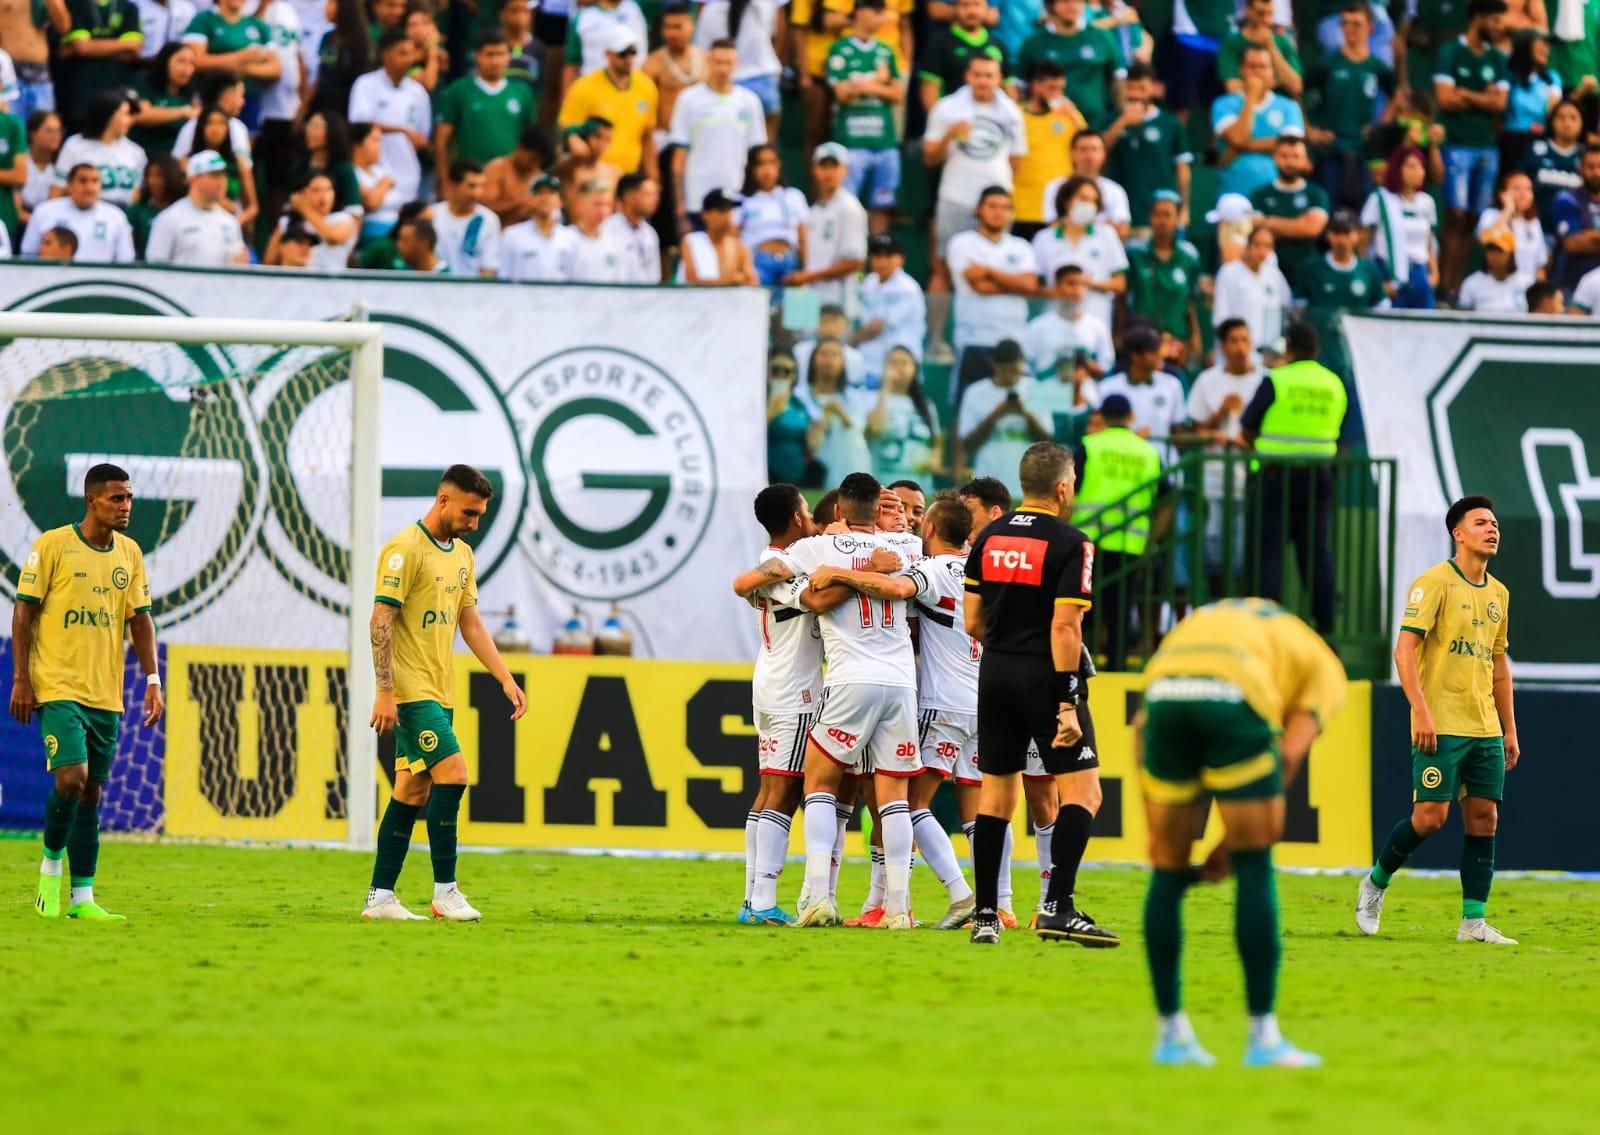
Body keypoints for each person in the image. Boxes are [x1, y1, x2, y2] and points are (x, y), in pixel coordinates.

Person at [1139, 598, 1347, 1068]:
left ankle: (1170, 1036)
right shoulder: (1325, 667)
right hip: (1232, 695)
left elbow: (1139, 728)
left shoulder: (1214, 622)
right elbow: (1289, 757)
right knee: (1255, 862)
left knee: (1167, 874)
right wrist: (1232, 845)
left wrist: (1162, 839)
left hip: (1163, 690)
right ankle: (1263, 1038)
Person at [743, 473, 926, 930]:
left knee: (816, 785)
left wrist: (752, 588)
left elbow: (750, 580)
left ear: (839, 511)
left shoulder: (813, 549)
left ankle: (815, 896)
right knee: (892, 796)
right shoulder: (907, 549)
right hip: (901, 682)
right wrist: (876, 561)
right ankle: (899, 908)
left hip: (845, 680)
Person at [963, 441, 1117, 946]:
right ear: (1063, 486)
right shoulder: (1072, 542)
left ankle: (986, 916)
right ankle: (1058, 906)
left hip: (995, 672)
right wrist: (1067, 699)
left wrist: (1007, 651)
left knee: (996, 796)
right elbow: (1065, 629)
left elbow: (971, 621)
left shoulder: (987, 540)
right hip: (1045, 675)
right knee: (1084, 793)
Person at [362, 465, 527, 921]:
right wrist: (384, 691)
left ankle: (380, 898)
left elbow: (469, 621)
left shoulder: (462, 556)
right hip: (411, 692)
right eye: (470, 513)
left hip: (441, 689)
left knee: (411, 792)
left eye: (480, 515)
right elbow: (380, 621)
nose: (475, 523)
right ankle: (445, 891)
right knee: (453, 775)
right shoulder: (403, 550)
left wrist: (505, 678)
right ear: (443, 501)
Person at [1357, 496, 1520, 945]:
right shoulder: (1434, 582)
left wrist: (1509, 728)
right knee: (1429, 818)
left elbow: (1499, 665)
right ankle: (1375, 883)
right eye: (1481, 522)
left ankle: (1473, 923)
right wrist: (1420, 711)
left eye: (1495, 523)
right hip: (1441, 722)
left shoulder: (1500, 594)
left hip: (1484, 725)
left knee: (1484, 818)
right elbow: (1404, 649)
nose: (1492, 529)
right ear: (1458, 533)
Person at [11, 463, 160, 922]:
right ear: (91, 500)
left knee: (92, 792)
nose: (126, 506)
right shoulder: (52, 545)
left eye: (129, 498)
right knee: (71, 778)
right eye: (117, 498)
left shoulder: (130, 554)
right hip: (57, 685)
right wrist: (22, 678)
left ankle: (82, 898)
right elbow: (24, 613)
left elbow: (140, 620)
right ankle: (50, 868)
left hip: (104, 692)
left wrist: (154, 681)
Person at [728, 484, 821, 925]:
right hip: (794, 691)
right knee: (783, 790)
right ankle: (762, 901)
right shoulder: (783, 570)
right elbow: (819, 600)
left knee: (768, 790)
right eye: (806, 510)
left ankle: (753, 897)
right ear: (797, 519)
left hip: (770, 681)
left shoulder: (772, 565)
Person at [895, 495, 989, 928]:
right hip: (982, 702)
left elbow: (897, 591)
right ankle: (993, 900)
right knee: (979, 806)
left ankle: (961, 894)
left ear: (929, 529)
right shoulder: (980, 569)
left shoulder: (929, 571)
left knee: (912, 805)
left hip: (943, 703)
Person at [1240, 321, 1349, 633]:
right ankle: (1328, 631)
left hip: (1274, 476)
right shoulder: (1334, 383)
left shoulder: (1276, 379)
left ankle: (1265, 629)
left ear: (1288, 348)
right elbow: (1339, 431)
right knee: (1316, 555)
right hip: (1318, 477)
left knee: (1268, 553)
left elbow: (1248, 427)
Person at [923, 54, 1026, 360]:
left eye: (990, 75)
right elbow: (929, 157)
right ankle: (937, 340)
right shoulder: (947, 108)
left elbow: (1017, 162)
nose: (983, 81)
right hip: (956, 197)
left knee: (997, 271)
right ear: (968, 76)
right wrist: (950, 136)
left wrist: (996, 195)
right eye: (978, 74)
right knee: (942, 267)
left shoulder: (1012, 113)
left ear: (999, 79)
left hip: (997, 201)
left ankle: (996, 341)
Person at [1074, 392, 1170, 671]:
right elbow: (1167, 502)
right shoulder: (1149, 452)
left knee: (1083, 610)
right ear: (1130, 417)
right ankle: (1116, 670)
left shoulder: (1088, 445)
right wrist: (1151, 541)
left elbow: (1068, 491)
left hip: (1089, 541)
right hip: (1131, 544)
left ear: (1102, 417)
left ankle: (1079, 673)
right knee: (1120, 613)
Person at [1435, 0, 1510, 294]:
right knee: (1455, 215)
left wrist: (1465, 93)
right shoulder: (1450, 52)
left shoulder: (1497, 59)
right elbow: (1444, 99)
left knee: (1473, 219)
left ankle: (1455, 289)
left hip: (1486, 148)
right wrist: (1483, 98)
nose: (1499, 27)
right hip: (1457, 145)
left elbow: (1500, 103)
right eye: (1494, 21)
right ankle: (1442, 286)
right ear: (1477, 18)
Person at [1186, 318, 1267, 583]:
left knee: (1246, 544)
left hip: (1252, 476)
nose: (1241, 347)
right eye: (1234, 341)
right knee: (1213, 540)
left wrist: (1247, 439)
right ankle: (1217, 597)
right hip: (1215, 476)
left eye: (1245, 339)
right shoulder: (1208, 380)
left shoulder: (1265, 380)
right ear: (1222, 346)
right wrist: (1220, 414)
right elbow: (1194, 428)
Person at [1305, 1, 1396, 208]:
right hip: (1330, 149)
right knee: (1329, 208)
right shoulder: (1326, 64)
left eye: (1357, 24)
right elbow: (1298, 92)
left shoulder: (1378, 67)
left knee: (1361, 211)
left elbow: (1395, 96)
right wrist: (1309, 129)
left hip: (1362, 150)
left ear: (1370, 27)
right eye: (1345, 23)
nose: (1350, 29)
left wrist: (1379, 127)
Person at [669, 39, 766, 229]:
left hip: (737, 198)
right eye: (718, 62)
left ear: (736, 64)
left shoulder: (750, 102)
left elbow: (757, 156)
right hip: (697, 199)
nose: (722, 69)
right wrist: (680, 207)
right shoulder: (688, 100)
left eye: (728, 63)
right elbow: (679, 157)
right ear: (708, 61)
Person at [825, 0, 902, 235]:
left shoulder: (886, 51)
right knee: (848, 205)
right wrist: (878, 81)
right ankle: (851, 256)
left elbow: (897, 93)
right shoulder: (840, 49)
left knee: (882, 204)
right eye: (877, 12)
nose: (882, 18)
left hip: (885, 141)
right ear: (860, 13)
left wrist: (862, 84)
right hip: (852, 141)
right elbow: (841, 93)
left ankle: (879, 255)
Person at [948, 186, 1036, 390]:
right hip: (974, 338)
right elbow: (979, 286)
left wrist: (988, 270)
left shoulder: (1021, 246)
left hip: (1015, 337)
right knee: (968, 406)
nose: (999, 212)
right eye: (992, 206)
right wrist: (1014, 283)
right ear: (979, 209)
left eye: (1005, 207)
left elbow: (1029, 285)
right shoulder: (962, 243)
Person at [436, 29, 540, 192]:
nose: (496, 61)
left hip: (510, 182)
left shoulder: (522, 93)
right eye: (490, 54)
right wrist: (444, 181)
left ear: (508, 57)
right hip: (469, 181)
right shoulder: (459, 90)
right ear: (477, 56)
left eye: (501, 54)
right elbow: (442, 140)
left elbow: (532, 143)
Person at [558, 23, 658, 180]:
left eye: (632, 53)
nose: (628, 59)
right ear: (608, 54)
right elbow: (566, 127)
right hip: (594, 174)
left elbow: (648, 137)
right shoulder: (584, 87)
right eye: (622, 53)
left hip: (629, 175)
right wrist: (574, 140)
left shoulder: (647, 87)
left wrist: (653, 176)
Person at [1298, 208, 1389, 375]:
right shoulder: (1311, 269)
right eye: (1336, 232)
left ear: (1357, 235)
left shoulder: (1369, 270)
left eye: (1347, 232)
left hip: (1358, 355)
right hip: (1321, 355)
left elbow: (1382, 311)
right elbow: (1298, 312)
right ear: (1328, 235)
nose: (1341, 239)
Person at [347, 30, 432, 208]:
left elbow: (422, 134)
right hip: (373, 172)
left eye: (411, 53)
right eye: (402, 53)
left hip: (408, 172)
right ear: (385, 55)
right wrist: (401, 130)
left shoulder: (418, 92)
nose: (409, 58)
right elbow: (359, 124)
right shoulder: (366, 84)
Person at [1032, 175, 1128, 330]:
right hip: (1053, 324)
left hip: (1095, 323)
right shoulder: (1044, 238)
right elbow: (1034, 286)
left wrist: (1087, 282)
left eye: (1093, 201)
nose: (1088, 205)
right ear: (1067, 200)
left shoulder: (1107, 235)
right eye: (1083, 198)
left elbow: (1120, 284)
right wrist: (1061, 290)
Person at [1105, 62, 1192, 229]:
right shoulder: (1111, 119)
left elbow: (1183, 169)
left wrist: (1185, 208)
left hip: (1156, 215)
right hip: (1118, 215)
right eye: (1131, 88)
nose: (1135, 94)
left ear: (1154, 89)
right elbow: (1099, 151)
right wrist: (1123, 122)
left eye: (1141, 88)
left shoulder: (1170, 123)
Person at [1212, 44, 1306, 197]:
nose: (1257, 72)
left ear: (1272, 73)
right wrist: (1251, 98)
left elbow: (1289, 146)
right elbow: (1238, 137)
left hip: (1277, 194)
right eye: (1251, 66)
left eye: (1263, 67)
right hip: (1234, 194)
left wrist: (1238, 148)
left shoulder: (1289, 106)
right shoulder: (1224, 104)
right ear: (1241, 69)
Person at [1011, 60, 1087, 240]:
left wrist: (1073, 115)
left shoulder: (1067, 116)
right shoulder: (1016, 115)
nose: (1057, 94)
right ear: (1036, 86)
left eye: (1061, 89)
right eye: (1052, 88)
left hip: (1058, 208)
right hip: (1022, 207)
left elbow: (1089, 144)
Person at [1018, 0, 1123, 129]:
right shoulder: (1034, 43)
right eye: (1065, 1)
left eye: (1077, 1)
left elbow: (1119, 79)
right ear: (1051, 5)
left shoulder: (1101, 37)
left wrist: (1118, 117)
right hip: (1049, 130)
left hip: (1096, 126)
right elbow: (1021, 87)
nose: (1072, 5)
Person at [1125, 191, 1203, 364]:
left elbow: (1190, 301)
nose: (1162, 221)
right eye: (1157, 214)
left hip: (1176, 340)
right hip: (1140, 340)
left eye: (1167, 215)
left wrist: (1196, 336)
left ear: (1177, 218)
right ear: (1150, 217)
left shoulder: (1189, 257)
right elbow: (1122, 297)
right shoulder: (1134, 253)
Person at [785, 142, 868, 304]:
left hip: (838, 298)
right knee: (801, 329)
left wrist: (809, 276)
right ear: (814, 170)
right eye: (823, 166)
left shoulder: (849, 208)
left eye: (834, 166)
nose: (828, 173)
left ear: (845, 169)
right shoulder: (814, 211)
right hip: (810, 297)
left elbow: (855, 261)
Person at [957, 338, 1049, 482]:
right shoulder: (975, 392)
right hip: (988, 474)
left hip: (1027, 476)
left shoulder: (1035, 389)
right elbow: (967, 444)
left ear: (1022, 363)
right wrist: (996, 414)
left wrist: (1025, 413)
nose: (1009, 376)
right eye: (1004, 370)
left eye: (1014, 370)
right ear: (993, 364)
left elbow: (1047, 441)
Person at [692, 0, 784, 139]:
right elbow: (703, 53)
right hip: (725, 81)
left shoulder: (762, 7)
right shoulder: (711, 12)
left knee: (765, 133)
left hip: (761, 78)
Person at [1362, 146, 1441, 306]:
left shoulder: (1427, 202)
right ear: (1397, 168)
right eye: (1411, 166)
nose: (1418, 171)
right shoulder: (1379, 199)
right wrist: (1376, 282)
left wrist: (1434, 274)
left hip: (1420, 274)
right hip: (1388, 273)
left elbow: (1428, 242)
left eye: (1421, 167)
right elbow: (1364, 243)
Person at [1251, 134, 1330, 289]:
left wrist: (1269, 222)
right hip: (1267, 273)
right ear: (1274, 157)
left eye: (1296, 156)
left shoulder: (1316, 194)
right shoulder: (1260, 194)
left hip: (1306, 276)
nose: (1290, 162)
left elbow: (1311, 229)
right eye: (1284, 156)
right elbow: (1256, 228)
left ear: (1306, 160)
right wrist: (1297, 224)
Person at [144, 149, 249, 265]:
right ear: (193, 179)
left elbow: (237, 268)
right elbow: (155, 267)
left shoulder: (230, 222)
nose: (222, 181)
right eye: (215, 175)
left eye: (223, 175)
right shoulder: (168, 219)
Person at [1023, 263, 1114, 393]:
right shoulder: (1037, 327)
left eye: (1083, 285)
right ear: (1057, 287)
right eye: (1071, 284)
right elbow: (1025, 368)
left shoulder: (1097, 327)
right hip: (1045, 398)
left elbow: (1107, 369)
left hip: (1085, 400)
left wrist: (1085, 363)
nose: (1077, 290)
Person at [1098, 325, 1188, 457]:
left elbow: (1178, 430)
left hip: (1163, 466)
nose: (1160, 354)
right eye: (1153, 351)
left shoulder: (1173, 385)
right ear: (1135, 356)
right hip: (1121, 462)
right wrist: (1132, 439)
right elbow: (1097, 430)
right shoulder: (1108, 387)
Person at [56, 0, 144, 133]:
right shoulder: (74, 5)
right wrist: (123, 45)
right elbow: (81, 47)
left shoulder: (128, 7)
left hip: (116, 92)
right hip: (80, 97)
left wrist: (90, 48)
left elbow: (134, 49)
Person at [21, 162, 136, 261]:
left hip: (101, 284)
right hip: (54, 282)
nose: (89, 187)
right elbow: (28, 254)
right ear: (69, 185)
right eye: (83, 181)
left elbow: (125, 259)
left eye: (95, 181)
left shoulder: (116, 216)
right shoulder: (44, 211)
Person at [54, 90, 147, 209]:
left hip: (122, 218)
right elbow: (57, 192)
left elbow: (137, 194)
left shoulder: (136, 152)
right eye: (125, 114)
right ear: (108, 116)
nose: (130, 120)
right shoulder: (75, 145)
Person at [184, 0, 279, 113]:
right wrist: (238, 57)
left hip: (249, 99)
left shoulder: (257, 24)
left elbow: (276, 68)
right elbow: (195, 61)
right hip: (212, 98)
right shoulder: (203, 20)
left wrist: (247, 69)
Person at [918, 0, 1009, 116]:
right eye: (965, 5)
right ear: (955, 8)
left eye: (977, 5)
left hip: (991, 124)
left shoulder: (998, 45)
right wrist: (940, 123)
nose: (971, 11)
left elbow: (1008, 88)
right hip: (953, 121)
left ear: (987, 9)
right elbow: (929, 89)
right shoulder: (939, 44)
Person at [854, 234, 926, 380]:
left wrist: (849, 343)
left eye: (888, 256)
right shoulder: (870, 281)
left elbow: (877, 326)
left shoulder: (907, 287)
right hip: (868, 364)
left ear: (901, 259)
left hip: (899, 365)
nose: (882, 261)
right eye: (877, 256)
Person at [867, 346, 942, 484]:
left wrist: (934, 460)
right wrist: (886, 386)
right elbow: (877, 427)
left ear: (914, 370)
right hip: (883, 481)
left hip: (919, 483)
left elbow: (936, 440)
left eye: (904, 363)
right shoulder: (871, 399)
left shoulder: (926, 404)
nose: (898, 368)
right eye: (893, 363)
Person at [738, 143, 808, 289]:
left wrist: (805, 271)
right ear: (751, 168)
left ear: (779, 165)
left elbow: (803, 237)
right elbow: (735, 237)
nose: (767, 170)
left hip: (790, 261)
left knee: (790, 309)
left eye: (772, 162)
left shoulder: (793, 196)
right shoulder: (743, 200)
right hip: (757, 263)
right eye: (761, 164)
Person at [1212, 224, 1292, 352]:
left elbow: (1286, 307)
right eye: (1257, 244)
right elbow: (1221, 318)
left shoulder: (1274, 275)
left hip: (1269, 353)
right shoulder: (1229, 273)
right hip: (1237, 353)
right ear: (1248, 245)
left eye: (1267, 246)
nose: (1262, 251)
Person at [1043, 130, 1132, 236]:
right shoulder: (1055, 187)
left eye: (1094, 149)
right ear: (1072, 153)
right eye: (1083, 150)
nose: (1089, 156)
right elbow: (1053, 226)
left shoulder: (1115, 190)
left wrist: (1074, 224)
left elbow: (1122, 231)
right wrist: (1104, 225)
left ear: (1104, 154)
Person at [266, 169, 357, 269]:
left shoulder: (343, 219)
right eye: (316, 190)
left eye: (328, 190)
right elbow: (269, 260)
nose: (323, 196)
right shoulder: (287, 221)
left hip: (332, 282)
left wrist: (303, 207)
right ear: (304, 193)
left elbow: (333, 237)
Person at [1501, 28, 1563, 173]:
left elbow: (1553, 111)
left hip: (1541, 140)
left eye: (1548, 45)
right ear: (1525, 46)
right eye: (1541, 44)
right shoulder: (1508, 75)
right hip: (1511, 141)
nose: (1546, 49)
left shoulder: (1552, 78)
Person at [429, 159, 501, 277]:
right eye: (471, 186)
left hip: (473, 291)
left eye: (481, 186)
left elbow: (489, 269)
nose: (477, 193)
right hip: (434, 288)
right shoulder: (432, 215)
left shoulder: (489, 220)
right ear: (453, 185)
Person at [498, 173, 576, 280]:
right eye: (539, 193)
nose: (545, 198)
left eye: (551, 193)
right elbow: (504, 275)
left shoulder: (571, 237)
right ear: (530, 199)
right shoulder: (512, 235)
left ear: (561, 202)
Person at [1218, 0, 1303, 98]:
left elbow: (1296, 87)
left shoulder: (1283, 42)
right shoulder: (1231, 43)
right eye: (1261, 14)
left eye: (1270, 14)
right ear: (1247, 11)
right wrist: (1276, 81)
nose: (1267, 20)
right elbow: (1233, 88)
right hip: (1242, 105)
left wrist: (1270, 47)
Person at [1520, 97, 1582, 231]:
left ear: (1582, 123)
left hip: (1577, 234)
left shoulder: (1588, 157)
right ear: (1552, 121)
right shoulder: (1535, 150)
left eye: (1573, 118)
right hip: (1536, 229)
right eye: (1561, 117)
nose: (1567, 123)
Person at [1475, 167, 1547, 280]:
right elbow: (1484, 239)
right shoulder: (1491, 215)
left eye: (1528, 189)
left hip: (1526, 286)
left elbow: (1539, 265)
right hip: (1498, 285)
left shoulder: (1534, 223)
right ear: (1502, 193)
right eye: (1516, 188)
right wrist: (1508, 210)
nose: (1524, 193)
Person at [131, 42, 199, 158]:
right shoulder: (145, 87)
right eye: (181, 61)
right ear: (165, 61)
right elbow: (142, 114)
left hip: (175, 161)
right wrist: (183, 112)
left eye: (191, 63)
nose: (187, 68)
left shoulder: (191, 95)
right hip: (144, 156)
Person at [677, 186, 756, 283]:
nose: (728, 214)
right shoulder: (692, 241)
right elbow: (693, 281)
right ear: (705, 214)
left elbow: (752, 281)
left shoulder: (739, 246)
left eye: (730, 209)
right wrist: (731, 280)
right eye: (722, 210)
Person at [1551, 143, 1600, 290]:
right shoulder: (1566, 199)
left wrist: (1589, 236)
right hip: (1572, 283)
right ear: (1580, 168)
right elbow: (1572, 244)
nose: (1596, 172)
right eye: (1590, 167)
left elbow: (1581, 240)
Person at [482, 124, 553, 225]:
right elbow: (484, 209)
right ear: (520, 148)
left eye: (540, 162)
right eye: (533, 159)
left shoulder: (539, 177)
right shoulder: (496, 169)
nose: (535, 165)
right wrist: (519, 202)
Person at [563, 0, 648, 84]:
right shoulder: (583, 17)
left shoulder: (637, 7)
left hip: (634, 89)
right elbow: (572, 64)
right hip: (594, 89)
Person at [603, 171, 661, 282]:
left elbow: (655, 275)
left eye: (656, 194)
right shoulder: (606, 230)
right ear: (629, 196)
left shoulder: (650, 233)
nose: (655, 199)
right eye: (648, 194)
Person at [350, 119, 401, 242]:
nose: (380, 147)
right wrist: (385, 183)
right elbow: (371, 203)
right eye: (374, 141)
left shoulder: (381, 171)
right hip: (371, 234)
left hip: (395, 230)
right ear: (357, 145)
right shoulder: (351, 171)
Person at [1460, 225, 1533, 310]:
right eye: (1490, 249)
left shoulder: (1527, 283)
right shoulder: (1472, 283)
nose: (1494, 255)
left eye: (1499, 250)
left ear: (1511, 254)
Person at [17, 111, 63, 230]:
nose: (56, 135)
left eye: (59, 130)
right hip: (21, 223)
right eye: (49, 130)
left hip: (53, 223)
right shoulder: (19, 161)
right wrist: (36, 222)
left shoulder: (63, 164)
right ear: (33, 133)